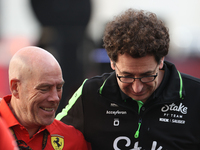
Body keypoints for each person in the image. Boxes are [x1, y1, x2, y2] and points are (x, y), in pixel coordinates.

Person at [56, 8, 200, 150]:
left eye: (147, 76)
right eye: (127, 76)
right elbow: (50, 137)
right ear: (112, 62)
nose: (137, 88)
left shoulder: (196, 95)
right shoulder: (90, 93)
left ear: (161, 60)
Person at [0, 46, 90, 150]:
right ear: (15, 87)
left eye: (59, 87)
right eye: (44, 88)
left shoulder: (73, 140)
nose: (55, 98)